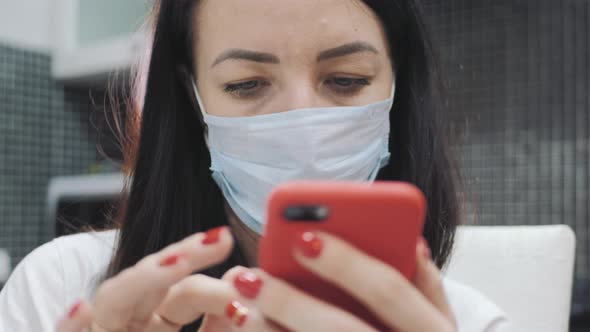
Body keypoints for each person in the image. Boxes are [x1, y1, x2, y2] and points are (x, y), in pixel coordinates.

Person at [0, 0, 511, 331]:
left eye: (348, 79)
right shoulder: (61, 292)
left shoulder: (469, 323)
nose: (300, 118)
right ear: (192, 98)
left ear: (398, 88)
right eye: (246, 84)